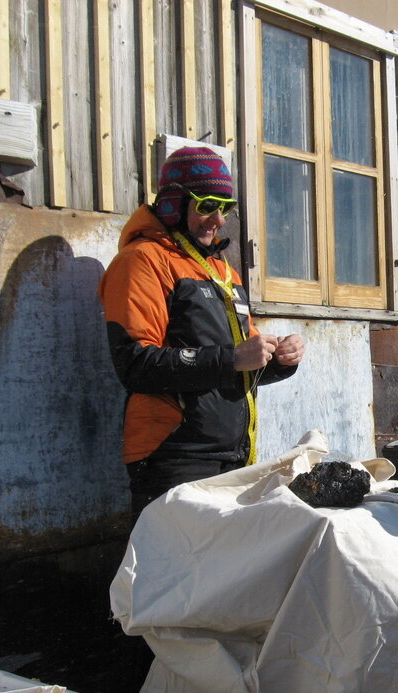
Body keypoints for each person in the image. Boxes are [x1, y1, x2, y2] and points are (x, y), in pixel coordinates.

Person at [99, 145, 304, 518]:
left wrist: (278, 360)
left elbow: (238, 366)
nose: (219, 220)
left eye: (225, 207)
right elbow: (135, 364)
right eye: (207, 205)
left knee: (223, 573)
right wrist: (233, 357)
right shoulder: (142, 260)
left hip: (231, 455)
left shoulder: (222, 272)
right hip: (174, 456)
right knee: (173, 573)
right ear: (172, 205)